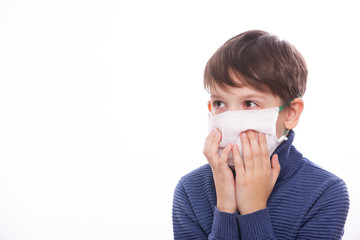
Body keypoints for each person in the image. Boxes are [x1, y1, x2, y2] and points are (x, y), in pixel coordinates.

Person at [172, 30, 349, 239]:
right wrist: (226, 209)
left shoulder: (325, 192)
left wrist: (253, 210)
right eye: (220, 103)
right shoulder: (190, 191)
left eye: (250, 103)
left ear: (291, 113)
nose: (231, 119)